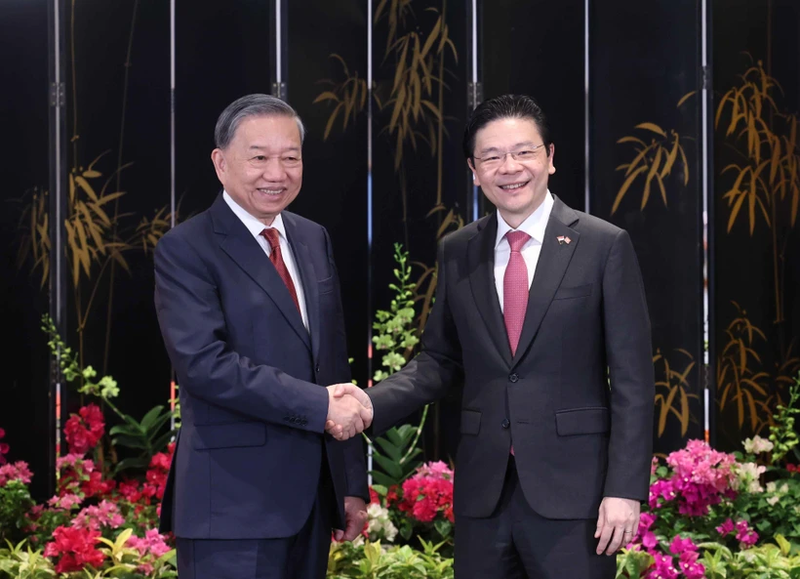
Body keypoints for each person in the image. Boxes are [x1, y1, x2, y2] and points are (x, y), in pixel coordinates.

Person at [330, 94, 655, 578]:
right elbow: (440, 360)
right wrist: (370, 404)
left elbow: (633, 380)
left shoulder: (602, 245)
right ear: (474, 169)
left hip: (575, 497)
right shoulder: (459, 250)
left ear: (550, 157)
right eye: (492, 157)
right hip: (484, 497)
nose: (510, 168)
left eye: (524, 152)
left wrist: (624, 489)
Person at [154, 93, 372, 579]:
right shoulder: (186, 248)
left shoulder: (312, 238)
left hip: (313, 503)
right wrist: (321, 408)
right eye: (259, 158)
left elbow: (331, 363)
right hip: (231, 509)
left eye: (290, 158)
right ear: (220, 162)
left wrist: (350, 482)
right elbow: (204, 365)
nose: (277, 173)